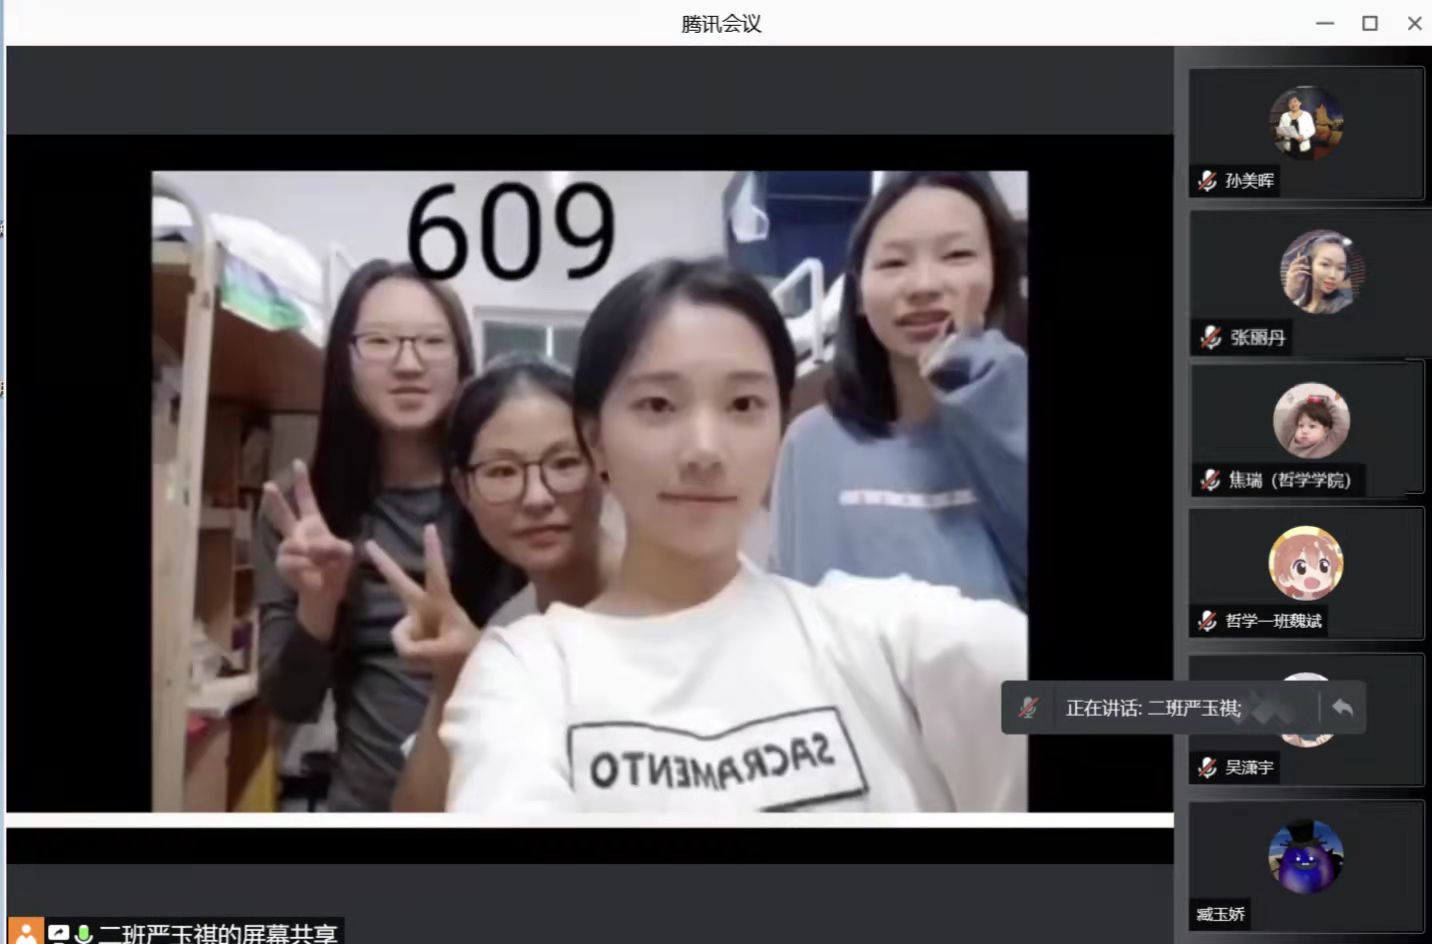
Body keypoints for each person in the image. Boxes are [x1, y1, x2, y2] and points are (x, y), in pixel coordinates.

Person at [438, 257, 1028, 813]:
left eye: (744, 404)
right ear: (596, 441)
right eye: (658, 405)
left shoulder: (879, 640)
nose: (705, 450)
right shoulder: (529, 675)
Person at [254, 258, 476, 812]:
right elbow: (289, 704)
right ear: (344, 360)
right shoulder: (300, 510)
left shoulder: (499, 488)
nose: (408, 363)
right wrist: (318, 609)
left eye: (432, 341)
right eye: (379, 341)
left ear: (461, 359)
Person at [368, 353, 621, 811]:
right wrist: (455, 677)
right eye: (502, 472)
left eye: (564, 463)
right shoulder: (507, 632)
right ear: (464, 490)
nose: (537, 497)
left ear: (603, 465)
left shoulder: (676, 597)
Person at [770, 171, 1027, 610]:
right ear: (858, 295)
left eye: (957, 254)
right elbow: (795, 614)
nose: (924, 285)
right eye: (893, 263)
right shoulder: (810, 444)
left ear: (997, 276)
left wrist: (998, 410)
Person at [1282, 233, 1354, 315]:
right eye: (1325, 264)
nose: (1333, 275)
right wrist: (1290, 293)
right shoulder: (1298, 302)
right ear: (1308, 265)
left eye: (1341, 268)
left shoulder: (1343, 306)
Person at [1277, 95, 1316, 160]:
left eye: (1295, 101)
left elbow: (1312, 130)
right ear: (1288, 105)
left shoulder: (1306, 115)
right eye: (1290, 102)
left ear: (1300, 103)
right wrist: (1279, 134)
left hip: (1304, 149)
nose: (1293, 104)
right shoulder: (1284, 116)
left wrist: (1303, 136)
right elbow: (1280, 129)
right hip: (1288, 148)